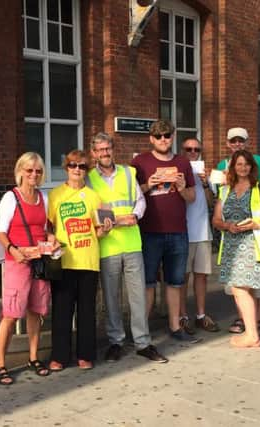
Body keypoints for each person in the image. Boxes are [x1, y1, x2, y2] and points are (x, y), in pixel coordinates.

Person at [87, 132, 168, 363]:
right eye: (100, 149)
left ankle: (143, 342)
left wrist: (134, 214)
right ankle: (116, 342)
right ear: (94, 153)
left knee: (138, 298)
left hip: (132, 244)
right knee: (112, 298)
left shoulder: (127, 172)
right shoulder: (89, 179)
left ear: (113, 149)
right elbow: (93, 211)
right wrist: (121, 220)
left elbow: (140, 200)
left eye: (108, 148)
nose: (104, 153)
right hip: (107, 246)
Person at [0, 152, 59, 385]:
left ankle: (33, 357)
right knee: (11, 315)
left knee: (36, 311)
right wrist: (13, 250)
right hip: (18, 262)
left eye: (38, 171)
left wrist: (52, 239)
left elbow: (46, 227)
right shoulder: (11, 198)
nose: (34, 174)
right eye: (29, 170)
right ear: (20, 170)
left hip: (39, 261)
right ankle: (0, 363)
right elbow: (0, 232)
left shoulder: (44, 198)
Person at [130, 119, 198, 343]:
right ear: (151, 138)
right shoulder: (140, 162)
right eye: (158, 136)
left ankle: (175, 326)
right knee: (148, 282)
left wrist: (180, 187)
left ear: (172, 136)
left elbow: (192, 197)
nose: (163, 139)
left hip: (177, 231)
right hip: (149, 231)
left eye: (167, 135)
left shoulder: (182, 162)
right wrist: (149, 184)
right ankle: (143, 331)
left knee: (175, 281)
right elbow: (131, 194)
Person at [47, 150, 112, 371]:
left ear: (86, 170)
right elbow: (49, 227)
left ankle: (85, 354)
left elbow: (98, 230)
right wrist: (51, 240)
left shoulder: (94, 197)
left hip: (88, 260)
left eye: (82, 166)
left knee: (86, 311)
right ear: (66, 168)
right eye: (73, 165)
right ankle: (59, 356)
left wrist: (105, 229)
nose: (77, 169)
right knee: (62, 311)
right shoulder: (55, 195)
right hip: (65, 260)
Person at [212, 150, 260, 348]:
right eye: (238, 164)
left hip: (252, 245)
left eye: (246, 164)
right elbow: (215, 219)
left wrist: (255, 224)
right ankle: (252, 330)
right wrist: (227, 226)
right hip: (231, 246)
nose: (242, 168)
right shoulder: (225, 190)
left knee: (242, 289)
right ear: (232, 167)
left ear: (252, 166)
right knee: (240, 290)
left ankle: (252, 335)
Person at [179, 137, 220, 334]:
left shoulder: (206, 176)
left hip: (203, 231)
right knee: (182, 277)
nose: (193, 153)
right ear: (182, 151)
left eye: (196, 150)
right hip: (183, 233)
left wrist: (205, 184)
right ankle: (182, 316)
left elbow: (212, 203)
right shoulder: (177, 172)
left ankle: (201, 315)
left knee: (201, 277)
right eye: (188, 149)